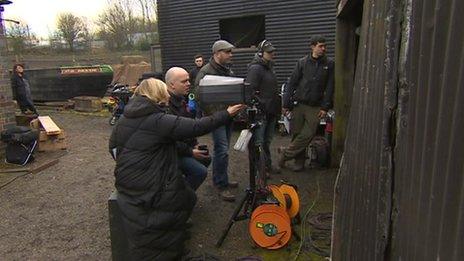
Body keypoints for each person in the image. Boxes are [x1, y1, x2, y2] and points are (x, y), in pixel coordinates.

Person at [109, 78, 244, 260]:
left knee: (183, 199)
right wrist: (226, 113)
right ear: (158, 94)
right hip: (149, 187)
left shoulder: (126, 117)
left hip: (128, 182)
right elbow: (197, 127)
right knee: (176, 203)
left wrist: (138, 162)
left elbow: (113, 149)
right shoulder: (156, 119)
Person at [278, 35, 334, 172]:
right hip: (299, 104)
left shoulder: (329, 64)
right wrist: (286, 104)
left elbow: (330, 87)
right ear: (312, 46)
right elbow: (292, 83)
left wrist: (325, 107)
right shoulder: (302, 63)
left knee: (308, 134)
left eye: (324, 46)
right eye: (320, 46)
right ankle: (299, 162)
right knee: (297, 133)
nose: (323, 49)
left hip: (315, 106)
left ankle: (285, 153)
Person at [194, 40, 238, 202]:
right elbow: (199, 96)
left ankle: (222, 179)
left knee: (224, 150)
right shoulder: (205, 72)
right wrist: (214, 115)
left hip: (228, 116)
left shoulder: (227, 71)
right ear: (217, 53)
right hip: (217, 118)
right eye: (227, 52)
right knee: (222, 150)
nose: (230, 55)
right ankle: (221, 184)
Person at [165, 67, 210, 191]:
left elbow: (188, 127)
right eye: (184, 81)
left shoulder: (181, 100)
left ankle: (181, 188)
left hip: (182, 148)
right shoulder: (166, 106)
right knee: (199, 171)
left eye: (188, 81)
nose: (189, 84)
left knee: (206, 158)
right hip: (170, 153)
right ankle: (179, 200)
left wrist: (194, 144)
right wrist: (190, 152)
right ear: (172, 85)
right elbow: (169, 139)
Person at [245, 40, 281, 178]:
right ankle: (260, 170)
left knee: (267, 141)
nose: (272, 54)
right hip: (261, 113)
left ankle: (267, 165)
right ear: (261, 53)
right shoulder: (255, 69)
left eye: (273, 51)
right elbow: (250, 90)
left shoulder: (269, 67)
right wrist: (261, 105)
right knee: (258, 142)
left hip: (271, 111)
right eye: (269, 52)